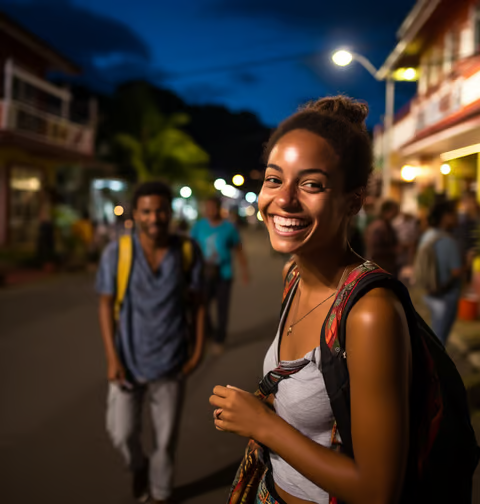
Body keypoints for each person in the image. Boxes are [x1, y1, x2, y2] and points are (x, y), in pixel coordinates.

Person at [209, 96, 415, 504]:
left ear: (353, 200)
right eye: (273, 179)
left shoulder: (370, 313)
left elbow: (378, 491)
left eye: (312, 184)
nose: (283, 200)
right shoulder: (294, 275)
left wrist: (263, 426)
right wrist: (265, 403)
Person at [96, 181, 205, 504]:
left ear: (169, 212)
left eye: (160, 210)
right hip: (127, 364)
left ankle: (160, 493)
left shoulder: (186, 252)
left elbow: (198, 304)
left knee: (166, 440)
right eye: (146, 211)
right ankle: (138, 466)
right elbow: (105, 304)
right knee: (121, 433)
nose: (154, 218)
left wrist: (197, 352)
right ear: (135, 214)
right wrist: (112, 359)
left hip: (172, 363)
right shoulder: (118, 253)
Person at [191, 196, 249, 355]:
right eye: (207, 208)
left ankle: (219, 339)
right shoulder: (199, 226)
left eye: (212, 207)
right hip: (204, 273)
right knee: (202, 306)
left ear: (219, 208)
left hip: (224, 274)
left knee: (222, 309)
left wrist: (245, 271)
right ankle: (209, 332)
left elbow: (238, 249)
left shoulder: (228, 228)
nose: (209, 211)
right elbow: (190, 247)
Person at [419, 200, 463, 345]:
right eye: (454, 214)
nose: (457, 217)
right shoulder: (448, 241)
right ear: (445, 217)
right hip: (445, 296)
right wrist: (467, 263)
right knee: (440, 340)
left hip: (429, 293)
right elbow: (456, 272)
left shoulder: (427, 235)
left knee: (434, 334)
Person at [365, 199, 399, 276]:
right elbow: (374, 250)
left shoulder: (383, 225)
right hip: (381, 267)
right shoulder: (380, 227)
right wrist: (393, 250)